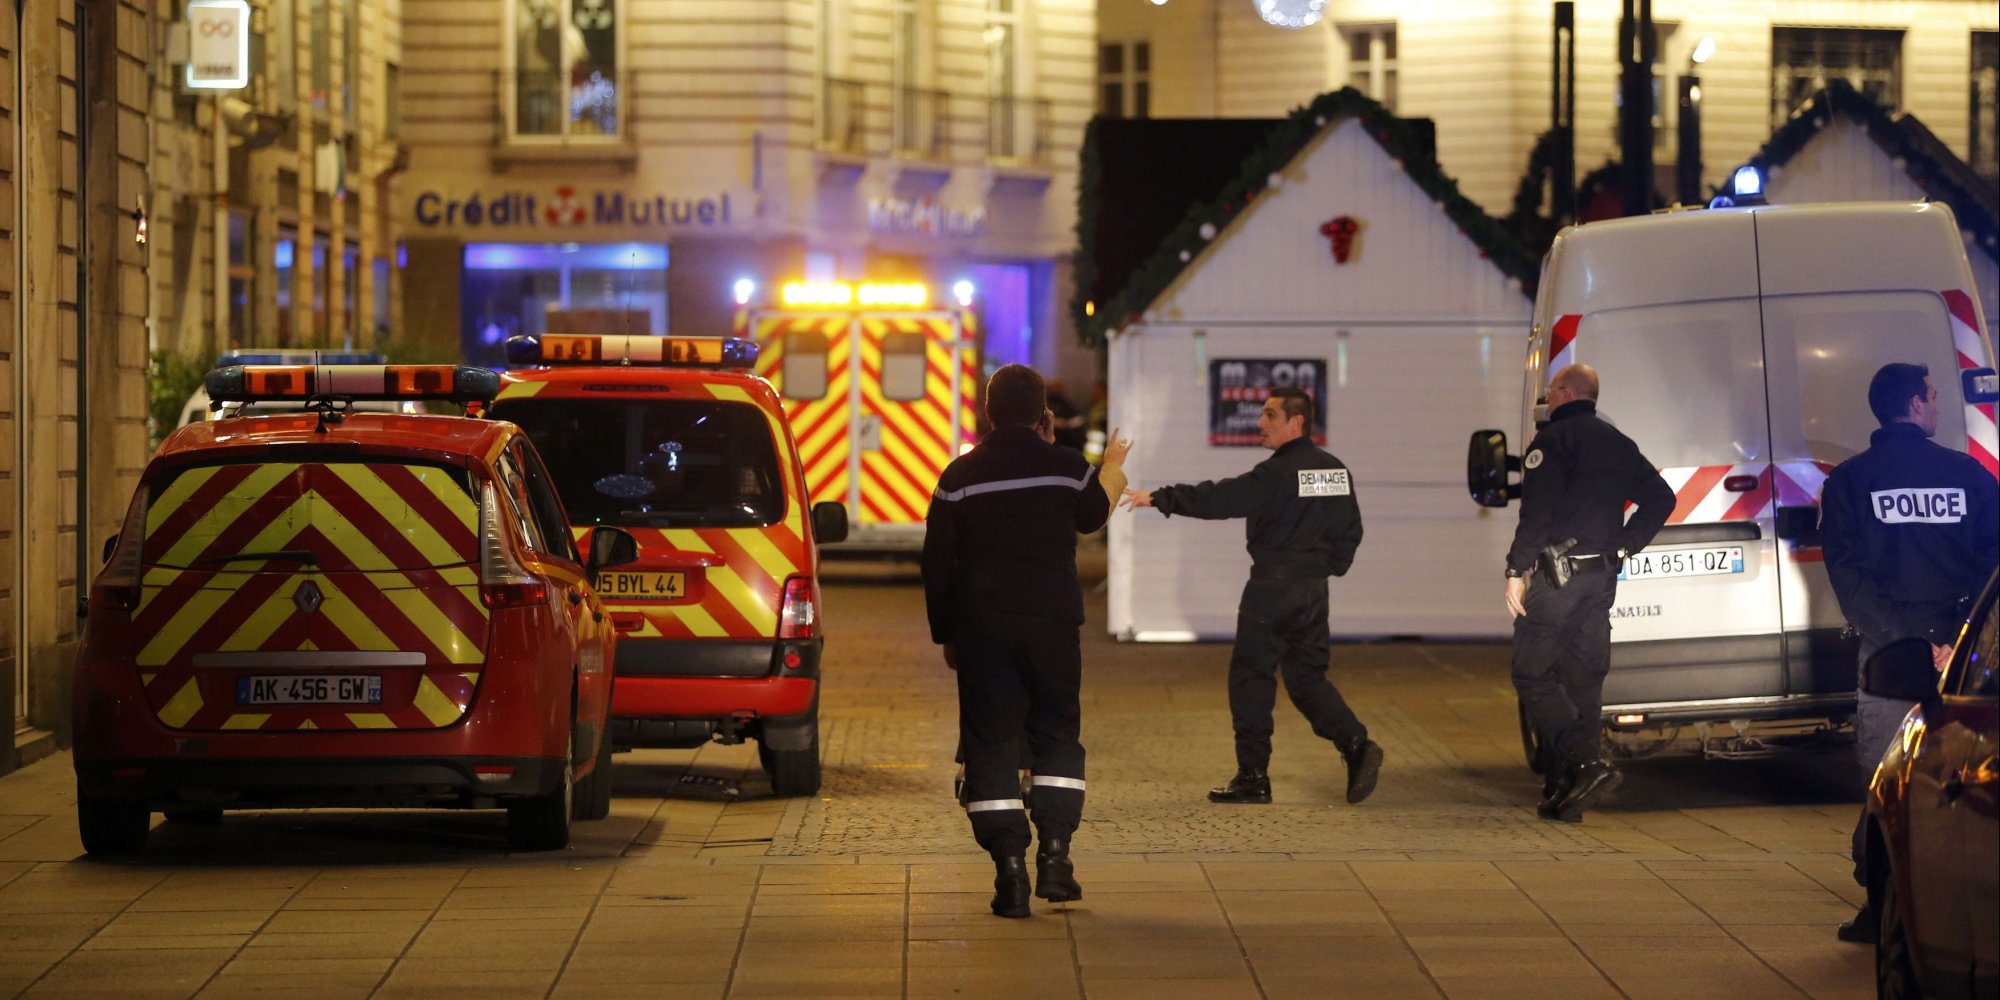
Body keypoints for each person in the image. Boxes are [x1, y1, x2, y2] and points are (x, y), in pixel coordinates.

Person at [923, 364, 1131, 919]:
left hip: (984, 631)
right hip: (1053, 628)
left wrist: (948, 634)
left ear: (989, 413)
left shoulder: (959, 476)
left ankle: (1009, 872)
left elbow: (937, 565)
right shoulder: (1066, 468)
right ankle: (1057, 857)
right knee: (1057, 733)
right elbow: (1093, 516)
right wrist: (1111, 467)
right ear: (1044, 415)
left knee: (991, 741)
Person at [1121, 386, 1383, 806]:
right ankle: (1356, 743)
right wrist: (1324, 568)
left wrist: (1159, 498)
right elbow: (1351, 531)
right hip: (1313, 593)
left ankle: (1253, 776)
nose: (1260, 424)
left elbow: (1222, 497)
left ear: (1297, 421)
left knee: (1250, 678)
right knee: (1307, 679)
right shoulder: (1335, 472)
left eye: (1270, 415)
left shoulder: (1275, 474)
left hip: (1271, 590)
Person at [1819, 362, 1998, 944]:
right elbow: (1991, 563)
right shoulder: (1968, 475)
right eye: (1934, 396)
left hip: (1890, 659)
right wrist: (1960, 639)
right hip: (1965, 659)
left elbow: (1850, 579)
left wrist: (1908, 639)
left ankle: (1885, 905)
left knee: (1886, 782)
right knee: (1967, 778)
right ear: (1916, 406)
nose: (1938, 405)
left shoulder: (1848, 483)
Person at [1503, 364, 1675, 823]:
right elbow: (1662, 497)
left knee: (1533, 674)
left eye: (1550, 392)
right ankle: (1566, 793)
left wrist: (1515, 569)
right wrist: (1626, 542)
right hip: (1601, 579)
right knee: (1582, 681)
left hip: (1558, 578)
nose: (1547, 399)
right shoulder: (1618, 443)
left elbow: (1535, 515)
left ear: (1563, 393)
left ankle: (1587, 765)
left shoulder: (1552, 443)